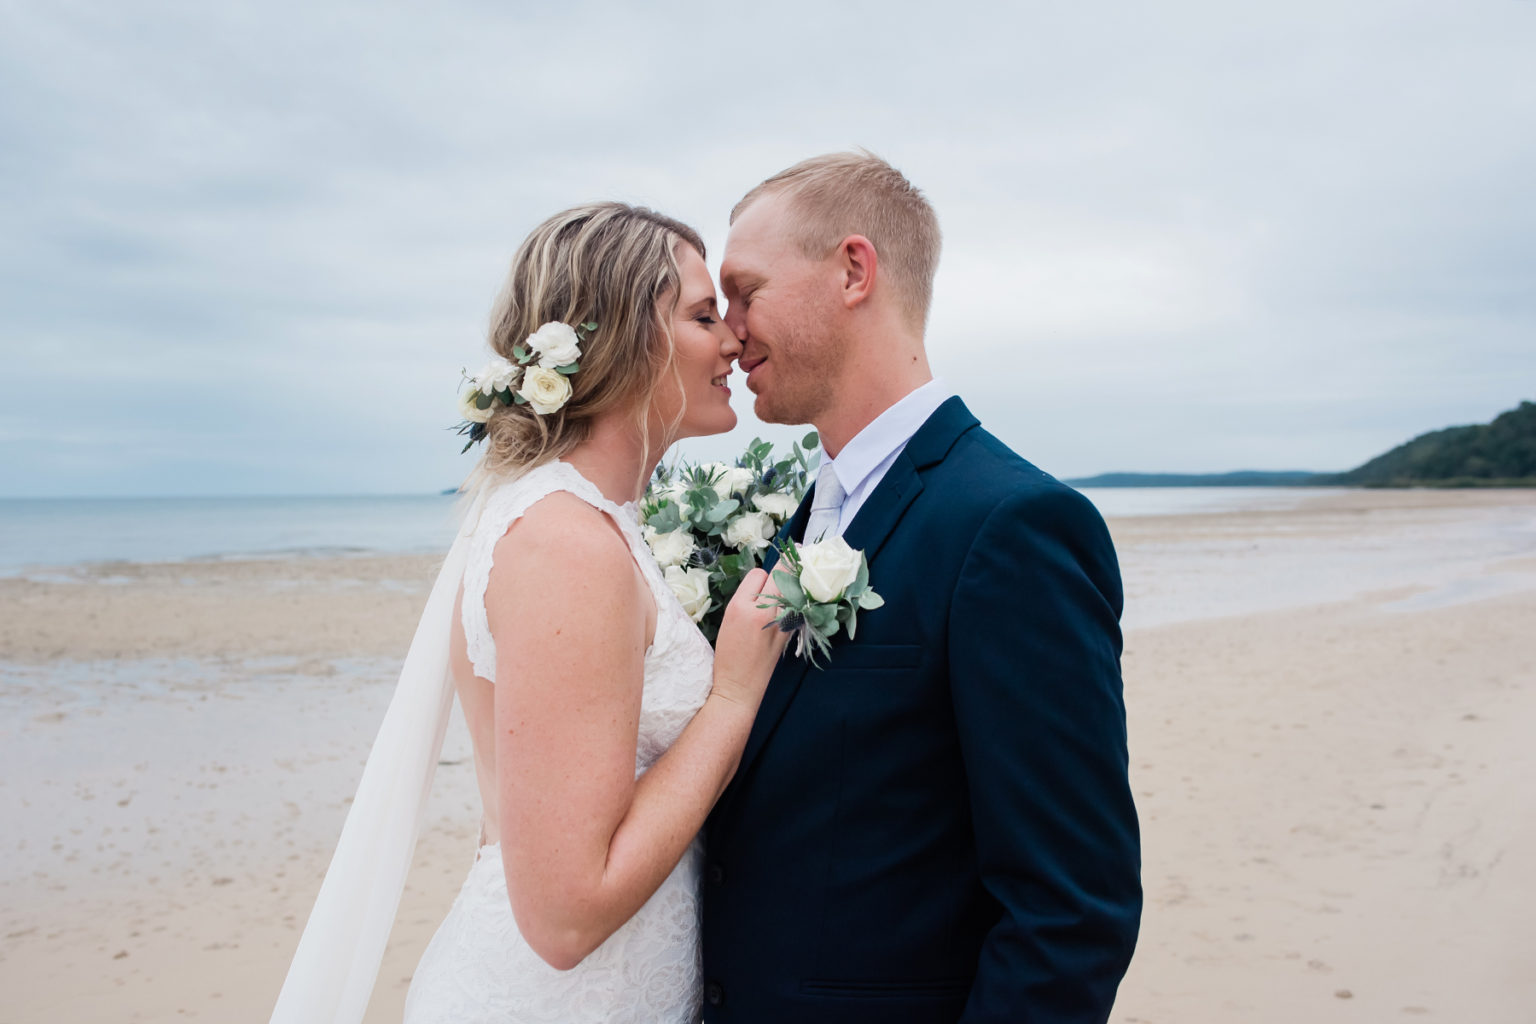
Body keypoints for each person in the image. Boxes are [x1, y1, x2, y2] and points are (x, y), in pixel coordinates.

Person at [271, 202, 787, 1024]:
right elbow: (565, 914)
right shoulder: (563, 544)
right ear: (624, 335)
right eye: (700, 315)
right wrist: (731, 699)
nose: (731, 339)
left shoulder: (596, 523)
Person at [702, 152, 1142, 1022]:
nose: (729, 330)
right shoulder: (804, 511)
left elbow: (1071, 910)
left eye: (747, 291)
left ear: (853, 271)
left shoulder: (1013, 526)